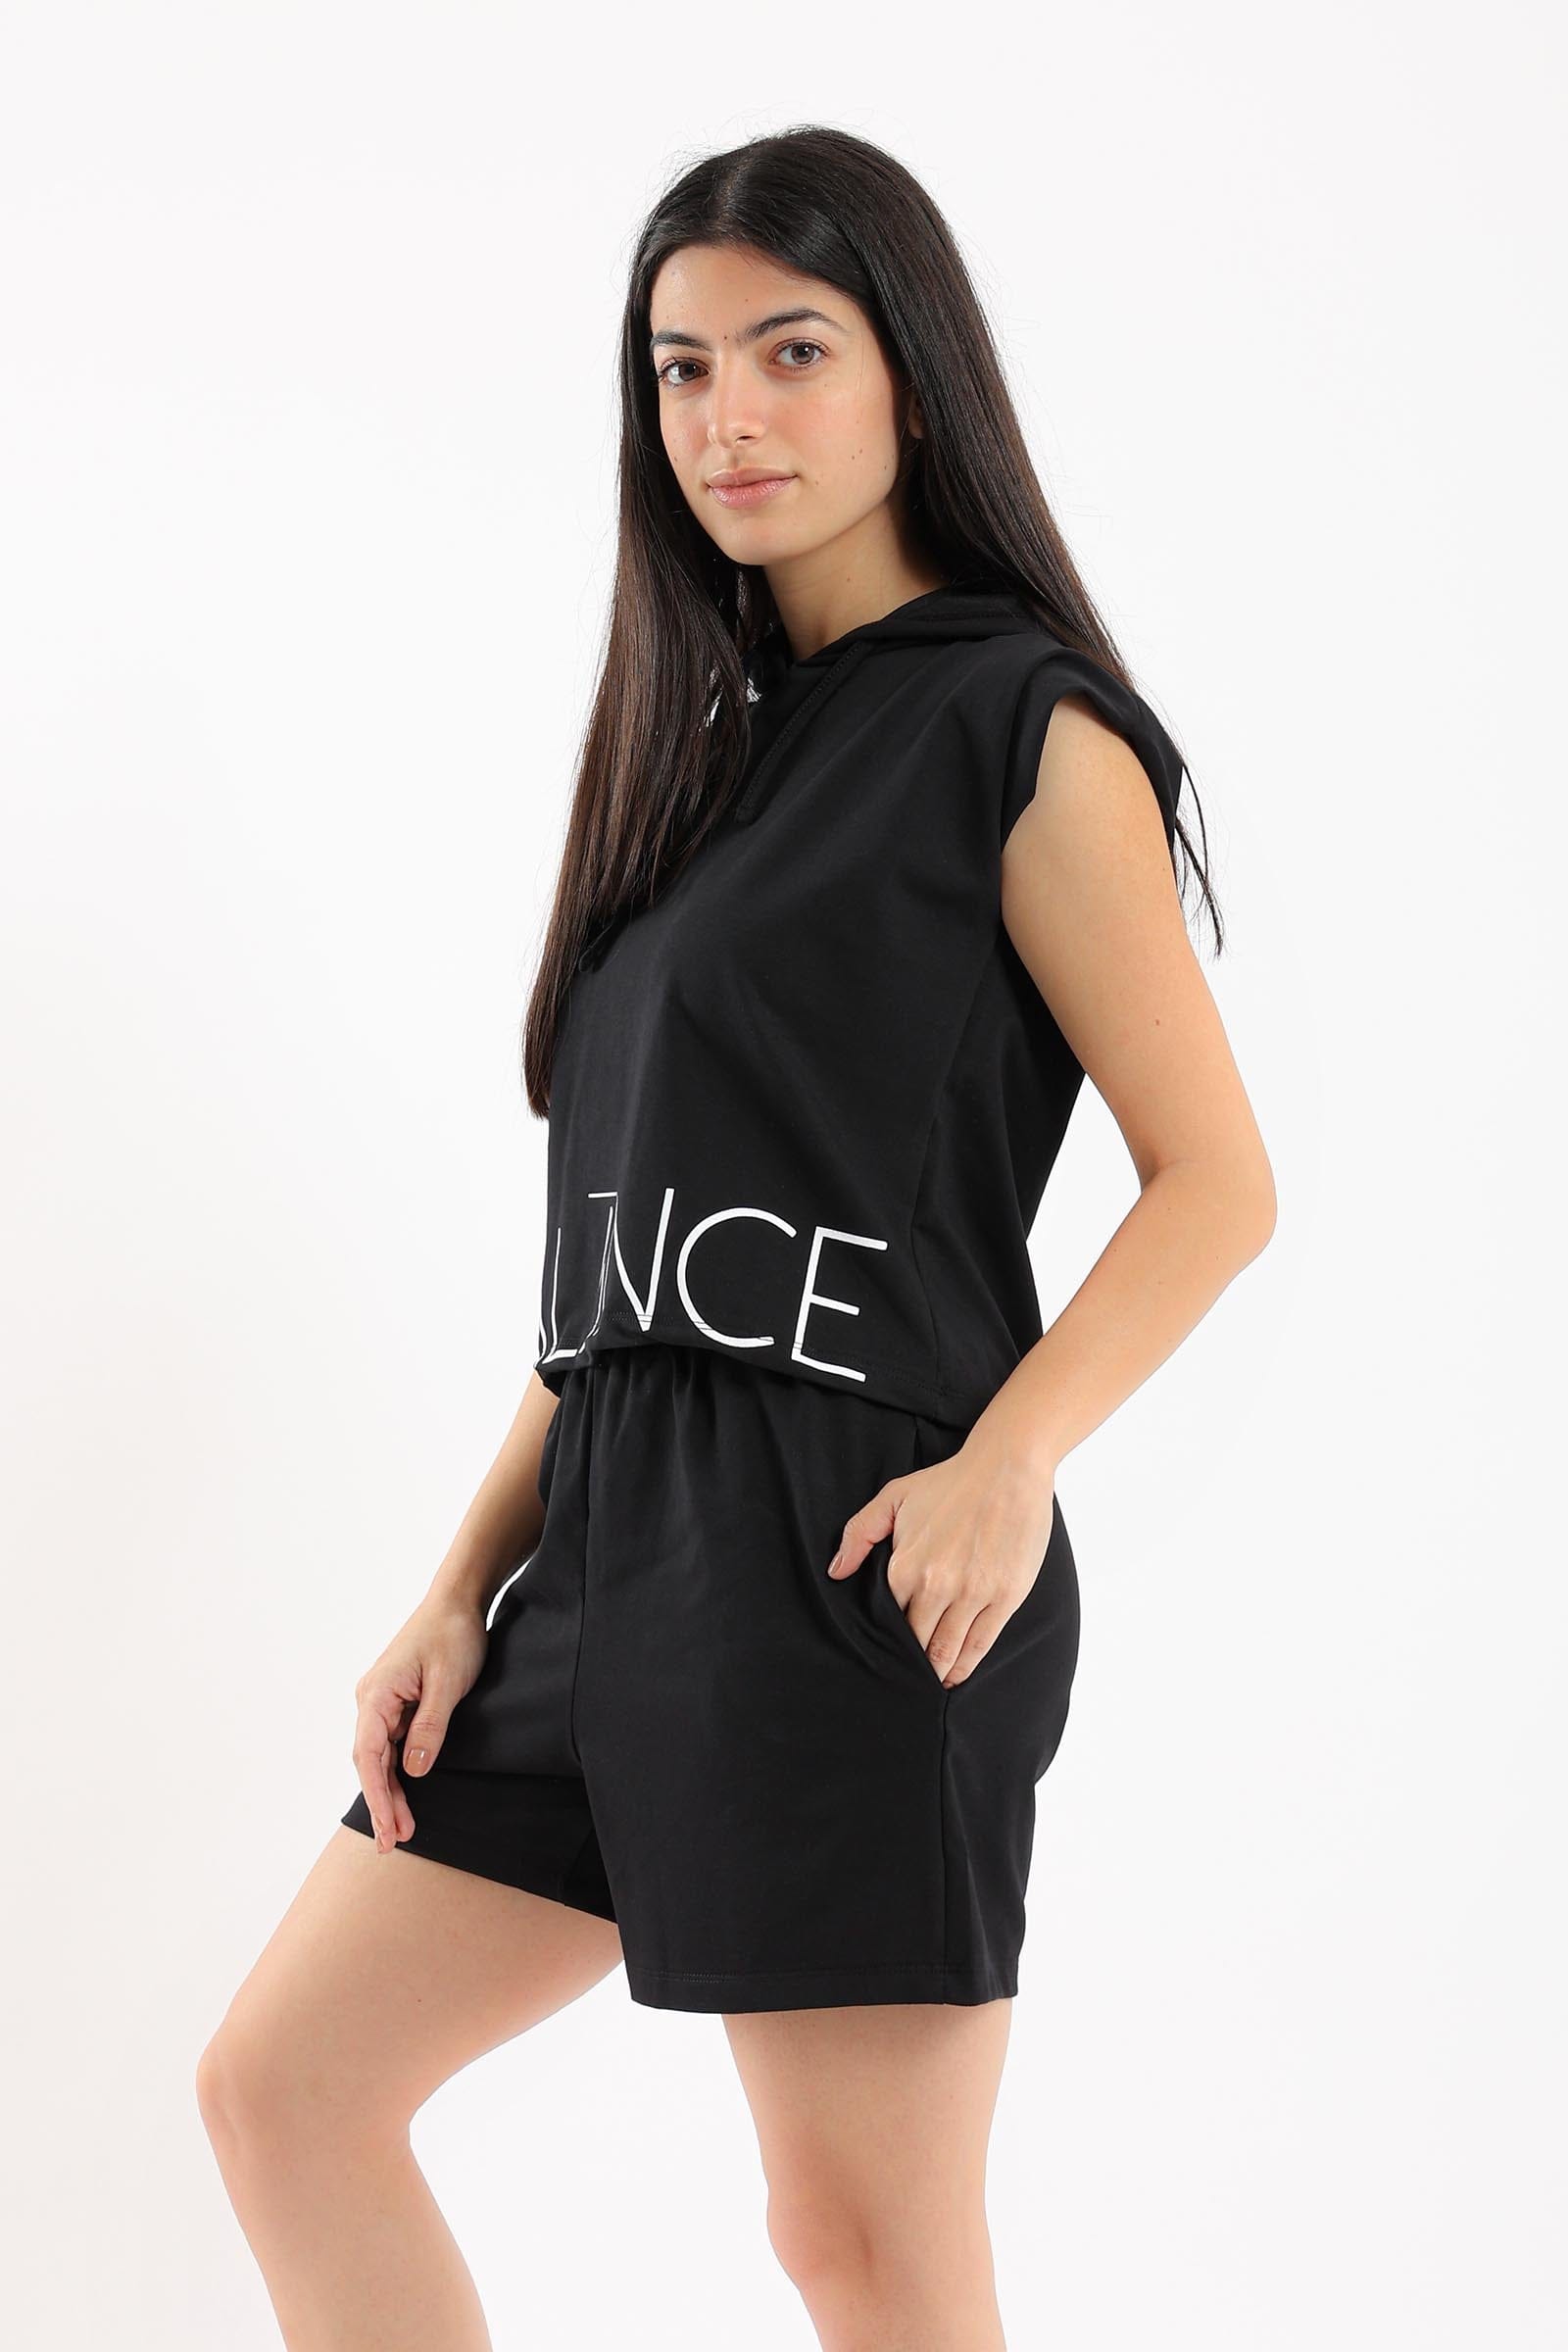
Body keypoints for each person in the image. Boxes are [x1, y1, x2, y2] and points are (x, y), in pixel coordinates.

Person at [197, 123, 1275, 2350]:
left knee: (860, 2245)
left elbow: (1216, 1180)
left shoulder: (1016, 728)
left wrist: (1009, 1460)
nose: (727, 417)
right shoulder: (696, 767)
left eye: (790, 352)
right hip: (608, 1559)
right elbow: (625, 1278)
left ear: (912, 379)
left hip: (854, 1556)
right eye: (681, 369)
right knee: (285, 2090)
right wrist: (461, 1583)